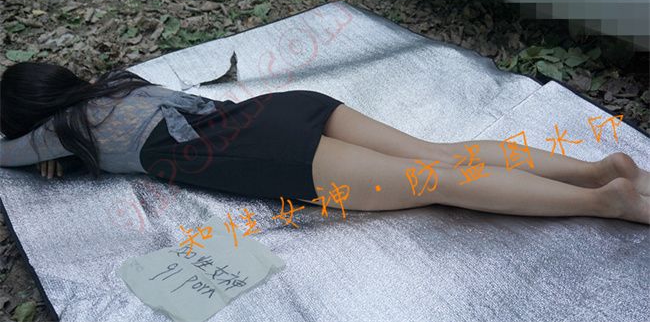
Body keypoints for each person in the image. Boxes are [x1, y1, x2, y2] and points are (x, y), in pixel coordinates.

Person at [1, 61, 648, 225]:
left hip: (272, 154)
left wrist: (41, 149)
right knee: (442, 156)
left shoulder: (63, 132)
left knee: (442, 184)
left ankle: (606, 201)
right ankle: (596, 169)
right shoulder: (117, 84)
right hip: (288, 107)